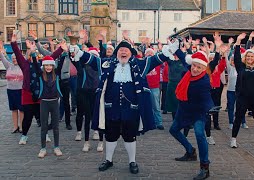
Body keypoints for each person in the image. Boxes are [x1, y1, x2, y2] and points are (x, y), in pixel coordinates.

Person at [73, 38, 177, 174]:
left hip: (131, 109)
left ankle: (132, 161)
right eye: (120, 50)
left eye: (126, 50)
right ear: (116, 53)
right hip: (111, 108)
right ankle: (108, 160)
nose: (123, 52)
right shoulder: (107, 63)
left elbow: (154, 60)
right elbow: (93, 60)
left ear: (131, 53)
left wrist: (168, 51)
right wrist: (79, 52)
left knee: (130, 136)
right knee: (110, 136)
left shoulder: (139, 64)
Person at [11, 33, 63, 145]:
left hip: (40, 93)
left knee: (41, 117)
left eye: (34, 52)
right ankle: (24, 135)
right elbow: (17, 54)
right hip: (27, 93)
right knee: (27, 117)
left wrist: (60, 50)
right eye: (30, 52)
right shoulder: (24, 64)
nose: (33, 54)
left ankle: (46, 135)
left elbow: (52, 57)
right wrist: (14, 43)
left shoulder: (41, 64)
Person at [169, 49, 214, 180]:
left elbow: (206, 98)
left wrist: (209, 108)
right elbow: (184, 58)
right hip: (184, 109)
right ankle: (190, 151)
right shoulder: (190, 69)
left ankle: (205, 167)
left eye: (198, 67)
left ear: (203, 69)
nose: (194, 69)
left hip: (198, 112)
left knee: (200, 135)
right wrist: (175, 48)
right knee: (173, 130)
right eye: (194, 65)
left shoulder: (204, 82)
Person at [30, 45, 68, 157]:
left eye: (50, 65)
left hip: (54, 102)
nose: (48, 67)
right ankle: (43, 148)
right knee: (44, 126)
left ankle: (56, 147)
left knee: (56, 126)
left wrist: (65, 52)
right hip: (44, 102)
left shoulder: (56, 73)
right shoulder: (41, 74)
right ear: (43, 66)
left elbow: (60, 64)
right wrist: (33, 54)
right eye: (46, 65)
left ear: (53, 66)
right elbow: (36, 66)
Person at [0, 44, 24, 133]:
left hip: (20, 90)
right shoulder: (8, 66)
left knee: (21, 109)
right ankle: (15, 126)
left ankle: (21, 126)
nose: (14, 60)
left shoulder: (22, 66)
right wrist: (1, 51)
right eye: (13, 58)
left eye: (16, 58)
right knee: (13, 109)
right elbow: (2, 58)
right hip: (10, 91)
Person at [145, 48, 164, 130]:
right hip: (144, 87)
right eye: (147, 52)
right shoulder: (143, 63)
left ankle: (158, 122)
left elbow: (163, 57)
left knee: (156, 106)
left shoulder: (158, 63)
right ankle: (147, 123)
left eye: (151, 53)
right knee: (145, 106)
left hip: (155, 87)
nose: (149, 54)